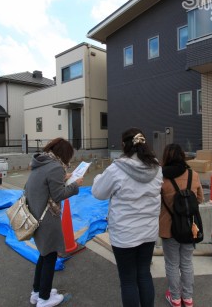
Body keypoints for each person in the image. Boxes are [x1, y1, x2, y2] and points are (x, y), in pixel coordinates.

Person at [92, 128, 163, 307]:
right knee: (144, 274)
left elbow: (98, 193)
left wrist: (98, 177)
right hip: (148, 231)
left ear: (124, 145)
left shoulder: (116, 169)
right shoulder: (157, 168)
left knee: (128, 280)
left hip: (124, 235)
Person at [25, 138, 84, 307]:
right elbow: (58, 195)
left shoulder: (42, 163)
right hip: (47, 219)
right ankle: (44, 299)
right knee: (50, 256)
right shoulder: (55, 167)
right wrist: (75, 184)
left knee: (44, 256)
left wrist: (65, 177)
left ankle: (36, 292)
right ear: (64, 154)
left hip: (36, 215)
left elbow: (47, 184)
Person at [159, 144, 204, 307]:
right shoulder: (194, 174)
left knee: (171, 263)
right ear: (182, 156)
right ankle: (188, 298)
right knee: (186, 262)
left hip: (168, 227)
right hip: (189, 226)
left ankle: (175, 298)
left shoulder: (161, 177)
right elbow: (199, 200)